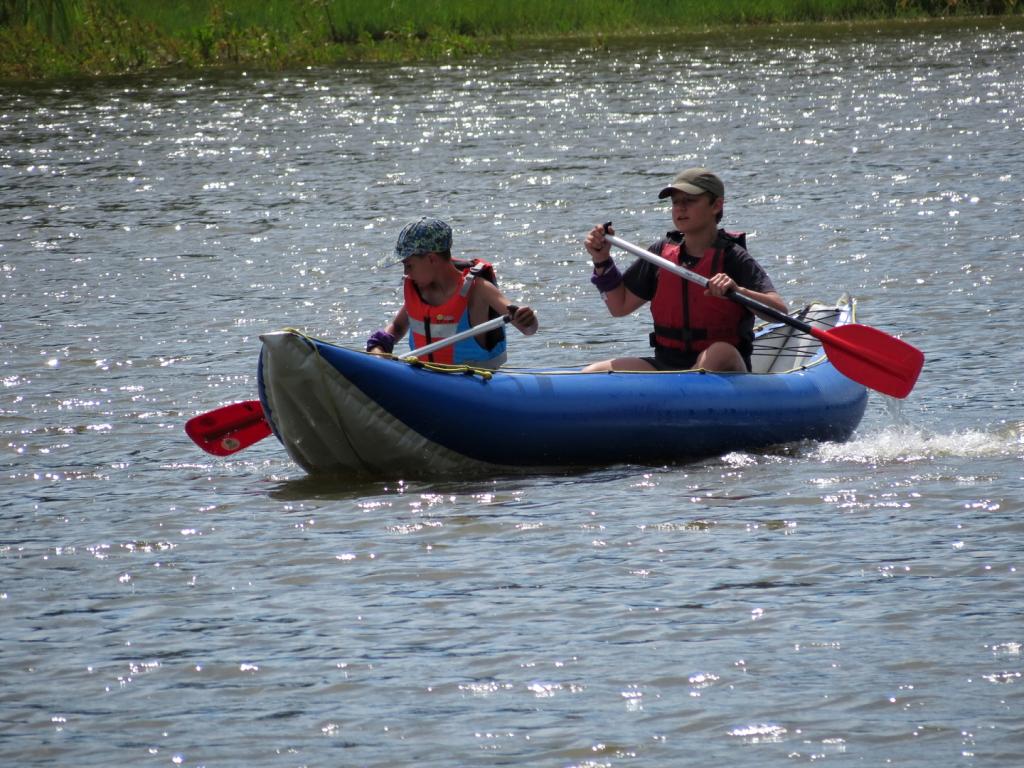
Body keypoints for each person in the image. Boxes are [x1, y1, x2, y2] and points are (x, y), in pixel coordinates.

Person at [582, 168, 787, 373]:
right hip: (667, 366)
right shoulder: (660, 254)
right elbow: (620, 306)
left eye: (689, 200)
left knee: (719, 353)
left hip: (724, 367)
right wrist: (601, 259)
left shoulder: (733, 257)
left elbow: (779, 313)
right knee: (591, 374)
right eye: (676, 202)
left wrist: (738, 292)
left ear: (716, 205)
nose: (680, 208)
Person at [366, 217, 538, 368]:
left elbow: (527, 329)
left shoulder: (478, 289)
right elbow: (397, 327)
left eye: (409, 265)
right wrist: (379, 347)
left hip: (475, 383)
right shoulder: (418, 289)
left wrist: (527, 319)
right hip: (426, 377)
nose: (406, 273)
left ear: (431, 259)